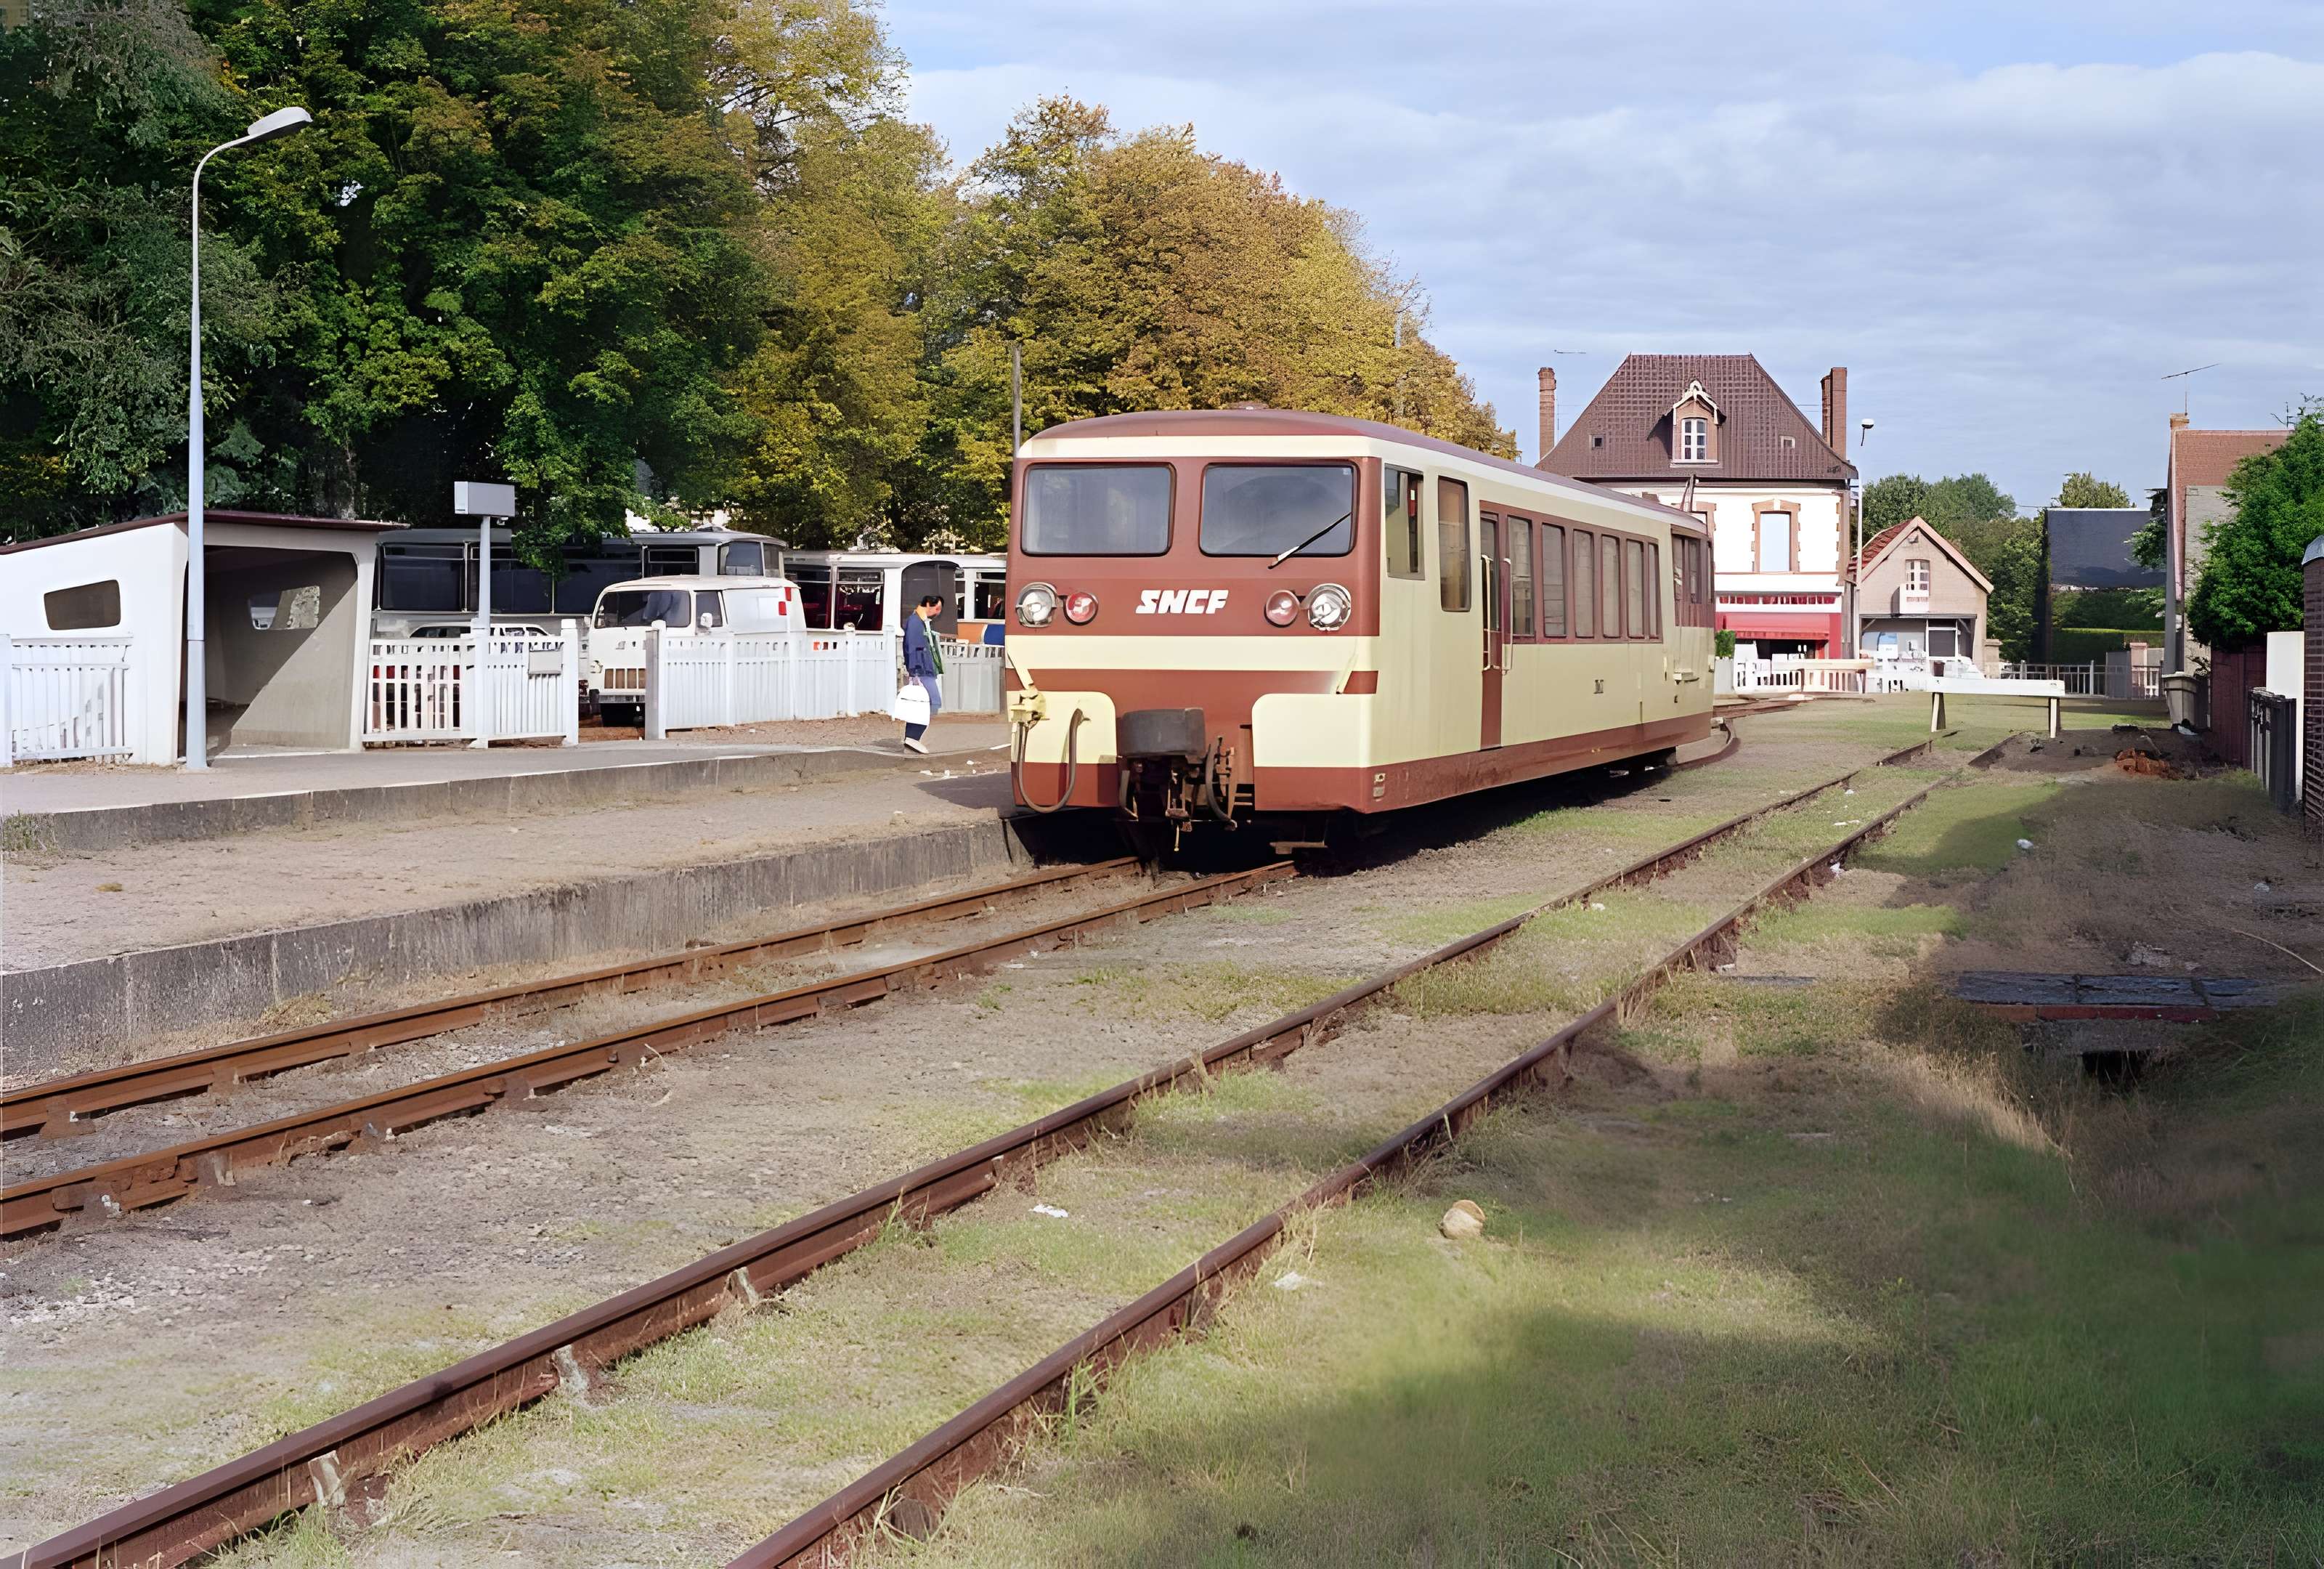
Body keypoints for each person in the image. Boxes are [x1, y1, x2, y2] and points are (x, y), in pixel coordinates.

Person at [899, 593, 945, 753]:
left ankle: (912, 738)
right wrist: (915, 671)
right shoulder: (916, 622)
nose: (938, 612)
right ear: (928, 605)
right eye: (937, 608)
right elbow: (913, 648)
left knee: (922, 703)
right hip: (922, 670)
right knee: (930, 703)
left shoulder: (920, 622)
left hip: (924, 669)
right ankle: (912, 737)